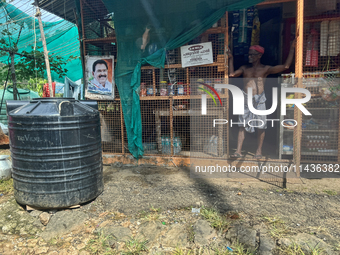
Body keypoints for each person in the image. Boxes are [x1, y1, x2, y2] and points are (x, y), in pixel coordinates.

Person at [228, 40, 296, 159]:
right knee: (242, 125)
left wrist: (292, 49)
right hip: (245, 99)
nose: (249, 57)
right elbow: (232, 74)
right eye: (248, 54)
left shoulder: (265, 69)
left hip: (260, 100)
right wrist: (231, 58)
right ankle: (238, 151)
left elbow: (285, 66)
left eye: (252, 54)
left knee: (261, 126)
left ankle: (258, 151)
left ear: (259, 55)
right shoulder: (244, 68)